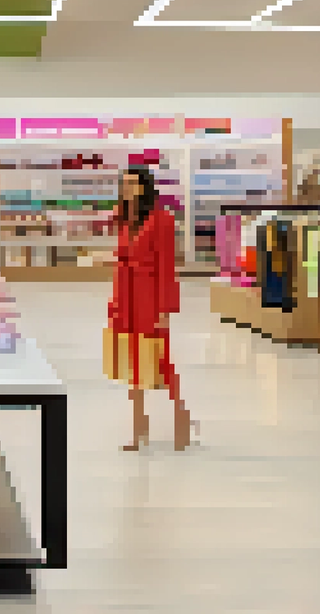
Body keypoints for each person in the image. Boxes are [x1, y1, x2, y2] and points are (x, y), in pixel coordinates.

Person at [106, 164, 193, 451]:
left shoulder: (162, 220)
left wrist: (165, 309)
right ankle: (138, 431)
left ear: (145, 187)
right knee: (131, 365)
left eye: (133, 183)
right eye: (124, 183)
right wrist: (115, 303)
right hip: (125, 298)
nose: (127, 188)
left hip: (149, 299)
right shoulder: (124, 220)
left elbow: (167, 267)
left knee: (160, 361)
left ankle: (181, 417)